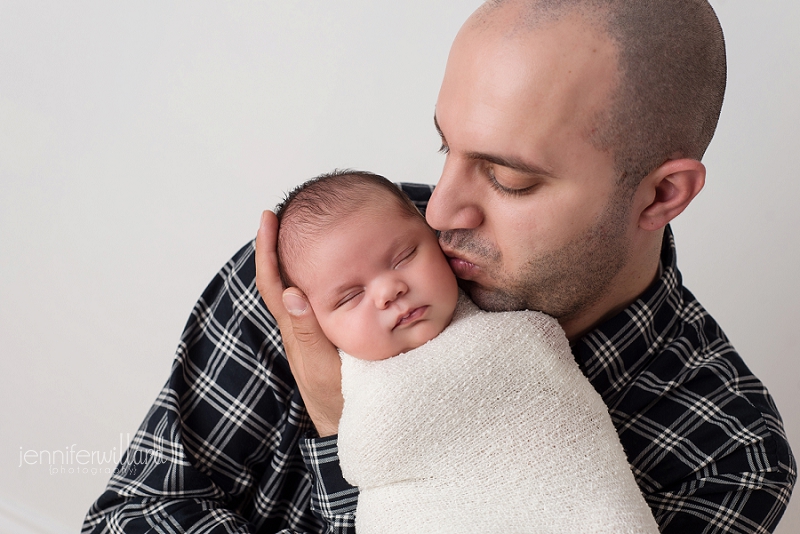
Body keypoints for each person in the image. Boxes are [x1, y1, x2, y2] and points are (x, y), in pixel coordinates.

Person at [83, 1, 796, 533]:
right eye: (445, 150)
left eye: (508, 179)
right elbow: (128, 518)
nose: (443, 211)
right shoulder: (332, 272)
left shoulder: (727, 455)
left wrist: (343, 429)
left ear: (662, 194)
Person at [274, 170, 659, 533]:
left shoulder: (504, 321)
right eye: (351, 296)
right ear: (309, 318)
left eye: (404, 257)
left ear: (432, 235)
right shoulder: (304, 329)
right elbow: (370, 456)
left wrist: (334, 422)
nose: (389, 290)